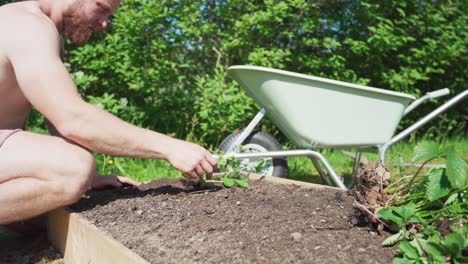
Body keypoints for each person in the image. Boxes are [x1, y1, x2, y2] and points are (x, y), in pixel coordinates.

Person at [0, 0, 217, 233]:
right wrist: (169, 147)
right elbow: (72, 118)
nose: (104, 23)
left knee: (43, 215)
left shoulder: (40, 29)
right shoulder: (29, 26)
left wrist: (93, 178)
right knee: (73, 168)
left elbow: (55, 114)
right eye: (101, 7)